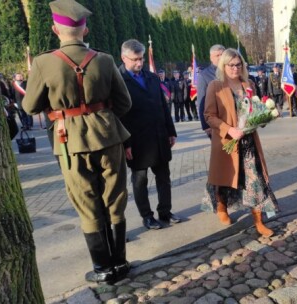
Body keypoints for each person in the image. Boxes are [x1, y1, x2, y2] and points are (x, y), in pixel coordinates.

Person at [22, 0, 132, 284]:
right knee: (115, 198)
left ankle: (102, 268)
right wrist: (100, 116)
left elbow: (30, 106)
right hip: (108, 136)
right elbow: (124, 103)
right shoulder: (105, 59)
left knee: (86, 201)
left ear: (54, 29)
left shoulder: (44, 62)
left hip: (68, 140)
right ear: (86, 29)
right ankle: (120, 263)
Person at [202, 48, 278, 237]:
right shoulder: (215, 86)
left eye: (239, 64)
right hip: (227, 142)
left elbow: (256, 109)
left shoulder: (249, 83)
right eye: (231, 65)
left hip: (249, 143)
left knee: (256, 181)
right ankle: (221, 206)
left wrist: (262, 119)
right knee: (225, 180)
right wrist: (229, 129)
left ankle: (258, 221)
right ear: (224, 66)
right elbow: (209, 116)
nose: (235, 68)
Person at [118, 39, 180, 230]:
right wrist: (125, 143)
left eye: (141, 59)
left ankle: (165, 211)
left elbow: (163, 105)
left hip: (159, 136)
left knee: (164, 177)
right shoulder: (118, 80)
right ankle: (147, 216)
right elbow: (118, 115)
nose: (139, 63)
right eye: (135, 59)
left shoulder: (151, 77)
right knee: (140, 181)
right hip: (136, 141)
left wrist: (171, 131)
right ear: (124, 58)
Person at [198, 44, 225, 138]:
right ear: (211, 58)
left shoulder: (230, 71)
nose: (220, 57)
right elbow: (201, 101)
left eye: (222, 54)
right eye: (217, 55)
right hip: (215, 121)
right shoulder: (204, 75)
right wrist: (205, 125)